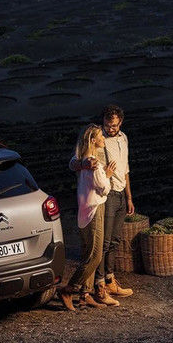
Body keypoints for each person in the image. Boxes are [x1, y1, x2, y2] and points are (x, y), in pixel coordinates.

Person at [70, 104, 135, 304]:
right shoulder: (96, 140)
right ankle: (98, 286)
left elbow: (125, 169)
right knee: (102, 244)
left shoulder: (123, 138)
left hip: (120, 193)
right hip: (106, 195)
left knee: (114, 240)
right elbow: (73, 162)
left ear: (120, 122)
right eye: (107, 125)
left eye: (114, 125)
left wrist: (129, 197)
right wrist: (83, 164)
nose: (110, 129)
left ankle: (109, 279)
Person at [59, 124, 116, 311]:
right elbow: (104, 188)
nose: (103, 138)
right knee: (95, 255)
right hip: (94, 209)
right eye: (100, 136)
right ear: (93, 140)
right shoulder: (93, 163)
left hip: (85, 209)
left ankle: (85, 295)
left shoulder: (84, 159)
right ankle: (69, 289)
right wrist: (107, 174)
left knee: (87, 253)